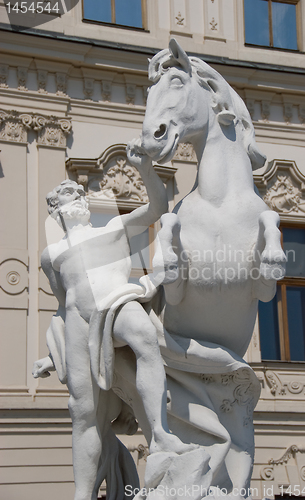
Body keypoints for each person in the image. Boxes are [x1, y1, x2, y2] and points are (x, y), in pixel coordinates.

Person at [32, 140, 193, 500]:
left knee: (144, 337)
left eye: (79, 197)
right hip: (78, 321)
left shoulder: (113, 228)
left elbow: (156, 207)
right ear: (56, 212)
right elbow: (63, 302)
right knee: (83, 413)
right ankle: (82, 492)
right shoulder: (52, 254)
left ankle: (162, 433)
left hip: (116, 300)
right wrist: (51, 356)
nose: (78, 202)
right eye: (68, 199)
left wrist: (146, 170)